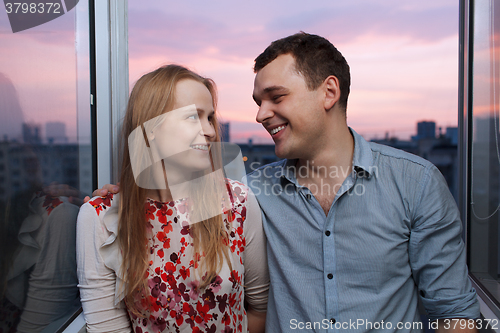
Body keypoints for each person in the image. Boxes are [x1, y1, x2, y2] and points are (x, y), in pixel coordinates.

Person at [90, 33, 480, 332]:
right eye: (258, 100)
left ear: (329, 92)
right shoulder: (250, 195)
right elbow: (167, 208)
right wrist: (128, 195)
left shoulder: (416, 183)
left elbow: (458, 314)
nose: (261, 114)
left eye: (275, 97)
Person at [77, 65, 268, 333]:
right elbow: (107, 328)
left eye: (210, 118)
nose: (210, 131)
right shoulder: (101, 217)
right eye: (193, 117)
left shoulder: (237, 202)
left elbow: (259, 307)